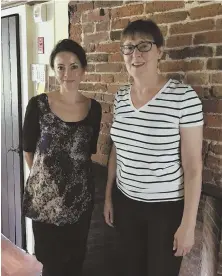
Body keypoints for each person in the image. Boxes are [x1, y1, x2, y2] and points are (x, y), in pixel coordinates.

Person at [104, 19, 203, 276]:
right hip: (125, 203)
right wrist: (108, 196)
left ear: (159, 51)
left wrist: (188, 226)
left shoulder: (183, 98)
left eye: (144, 46)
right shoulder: (121, 97)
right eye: (128, 48)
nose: (135, 54)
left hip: (165, 212)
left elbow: (193, 166)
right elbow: (117, 150)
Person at [22, 39, 102, 276]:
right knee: (50, 265)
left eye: (74, 66)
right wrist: (49, 184)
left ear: (84, 70)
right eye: (60, 67)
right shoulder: (38, 105)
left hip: (80, 202)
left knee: (75, 262)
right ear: (54, 70)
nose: (67, 73)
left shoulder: (94, 108)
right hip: (46, 203)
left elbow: (87, 152)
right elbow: (28, 150)